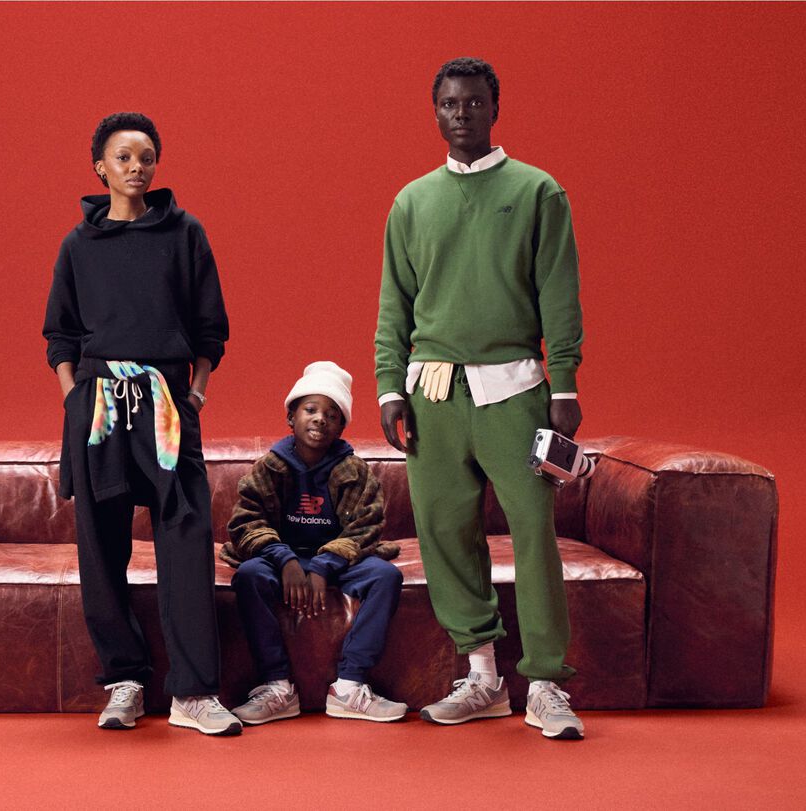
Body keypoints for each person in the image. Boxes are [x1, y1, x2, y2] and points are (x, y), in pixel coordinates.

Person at [373, 57, 588, 740]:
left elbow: (559, 293)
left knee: (533, 530)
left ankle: (547, 682)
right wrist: (387, 387)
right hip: (432, 392)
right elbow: (394, 306)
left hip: (517, 389)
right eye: (447, 104)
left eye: (472, 103)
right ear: (433, 111)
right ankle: (483, 674)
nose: (459, 114)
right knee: (442, 531)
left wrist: (566, 383)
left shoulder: (537, 191)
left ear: (495, 108)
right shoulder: (411, 201)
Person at [42, 112, 238, 735]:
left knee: (185, 536)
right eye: (123, 157)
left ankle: (193, 692)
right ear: (100, 166)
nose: (136, 167)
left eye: (146, 157)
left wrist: (196, 392)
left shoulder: (185, 233)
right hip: (98, 405)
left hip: (166, 402)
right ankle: (123, 681)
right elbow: (60, 333)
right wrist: (75, 397)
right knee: (102, 544)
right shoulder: (78, 244)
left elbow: (210, 325)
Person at [219, 361, 408, 725]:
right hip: (282, 562)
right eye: (310, 410)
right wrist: (286, 560)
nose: (320, 419)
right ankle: (277, 687)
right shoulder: (270, 467)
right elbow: (246, 521)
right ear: (291, 417)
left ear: (341, 426)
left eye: (332, 414)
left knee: (385, 576)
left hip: (339, 562)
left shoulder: (355, 471)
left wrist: (324, 565)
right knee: (249, 576)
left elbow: (366, 527)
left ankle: (350, 686)